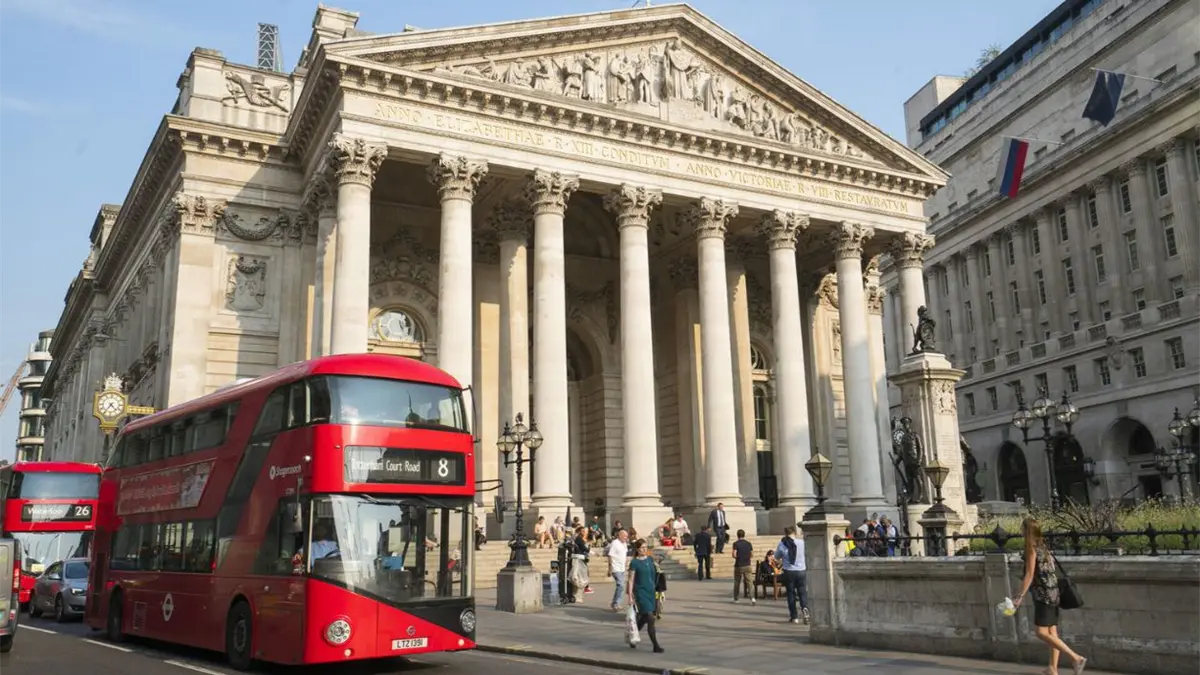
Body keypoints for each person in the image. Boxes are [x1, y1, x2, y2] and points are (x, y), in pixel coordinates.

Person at [1014, 518, 1087, 675]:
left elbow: (1029, 574)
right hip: (1054, 593)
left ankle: (1076, 657)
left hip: (1043, 595)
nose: (1020, 530)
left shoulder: (1031, 549)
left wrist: (1019, 596)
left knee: (1041, 633)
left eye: (1022, 528)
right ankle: (1052, 669)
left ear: (1027, 531)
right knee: (1052, 633)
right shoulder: (1043, 547)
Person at [626, 538, 664, 653]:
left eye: (646, 547)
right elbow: (631, 580)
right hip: (640, 592)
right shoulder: (634, 562)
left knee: (644, 618)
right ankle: (655, 645)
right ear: (637, 549)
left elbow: (656, 573)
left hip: (651, 592)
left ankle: (633, 636)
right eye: (642, 548)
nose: (644, 549)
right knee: (650, 617)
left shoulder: (650, 559)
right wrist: (630, 596)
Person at [774, 525, 809, 624]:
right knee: (802, 592)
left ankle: (794, 616)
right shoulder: (801, 543)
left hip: (789, 571)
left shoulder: (782, 544)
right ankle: (805, 609)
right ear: (795, 532)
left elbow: (777, 556)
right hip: (801, 570)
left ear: (785, 533)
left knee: (791, 593)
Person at [606, 528, 629, 612]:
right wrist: (610, 568)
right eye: (624, 536)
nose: (626, 538)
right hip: (615, 568)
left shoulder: (624, 544)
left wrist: (626, 564)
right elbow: (610, 555)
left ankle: (615, 603)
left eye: (627, 536)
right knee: (621, 585)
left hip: (622, 567)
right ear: (620, 535)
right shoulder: (615, 543)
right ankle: (616, 603)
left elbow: (624, 555)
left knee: (621, 586)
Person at [731, 528, 755, 604]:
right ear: (744, 535)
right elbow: (752, 554)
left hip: (739, 565)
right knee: (750, 582)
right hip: (747, 564)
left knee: (737, 582)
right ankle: (752, 598)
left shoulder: (736, 544)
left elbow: (734, 554)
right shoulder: (748, 543)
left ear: (737, 535)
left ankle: (736, 598)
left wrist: (738, 557)